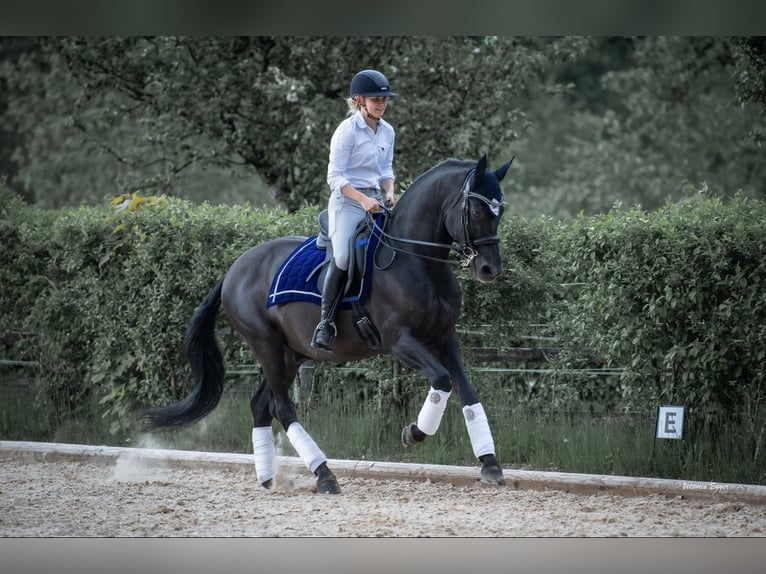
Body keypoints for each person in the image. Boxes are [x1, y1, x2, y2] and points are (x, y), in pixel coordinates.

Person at [310, 69, 398, 351]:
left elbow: (385, 169)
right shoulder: (346, 131)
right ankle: (326, 323)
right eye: (376, 99)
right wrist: (362, 200)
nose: (381, 104)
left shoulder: (388, 130)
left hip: (376, 200)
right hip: (348, 202)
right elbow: (334, 177)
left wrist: (389, 191)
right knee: (346, 257)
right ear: (359, 100)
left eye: (384, 100)